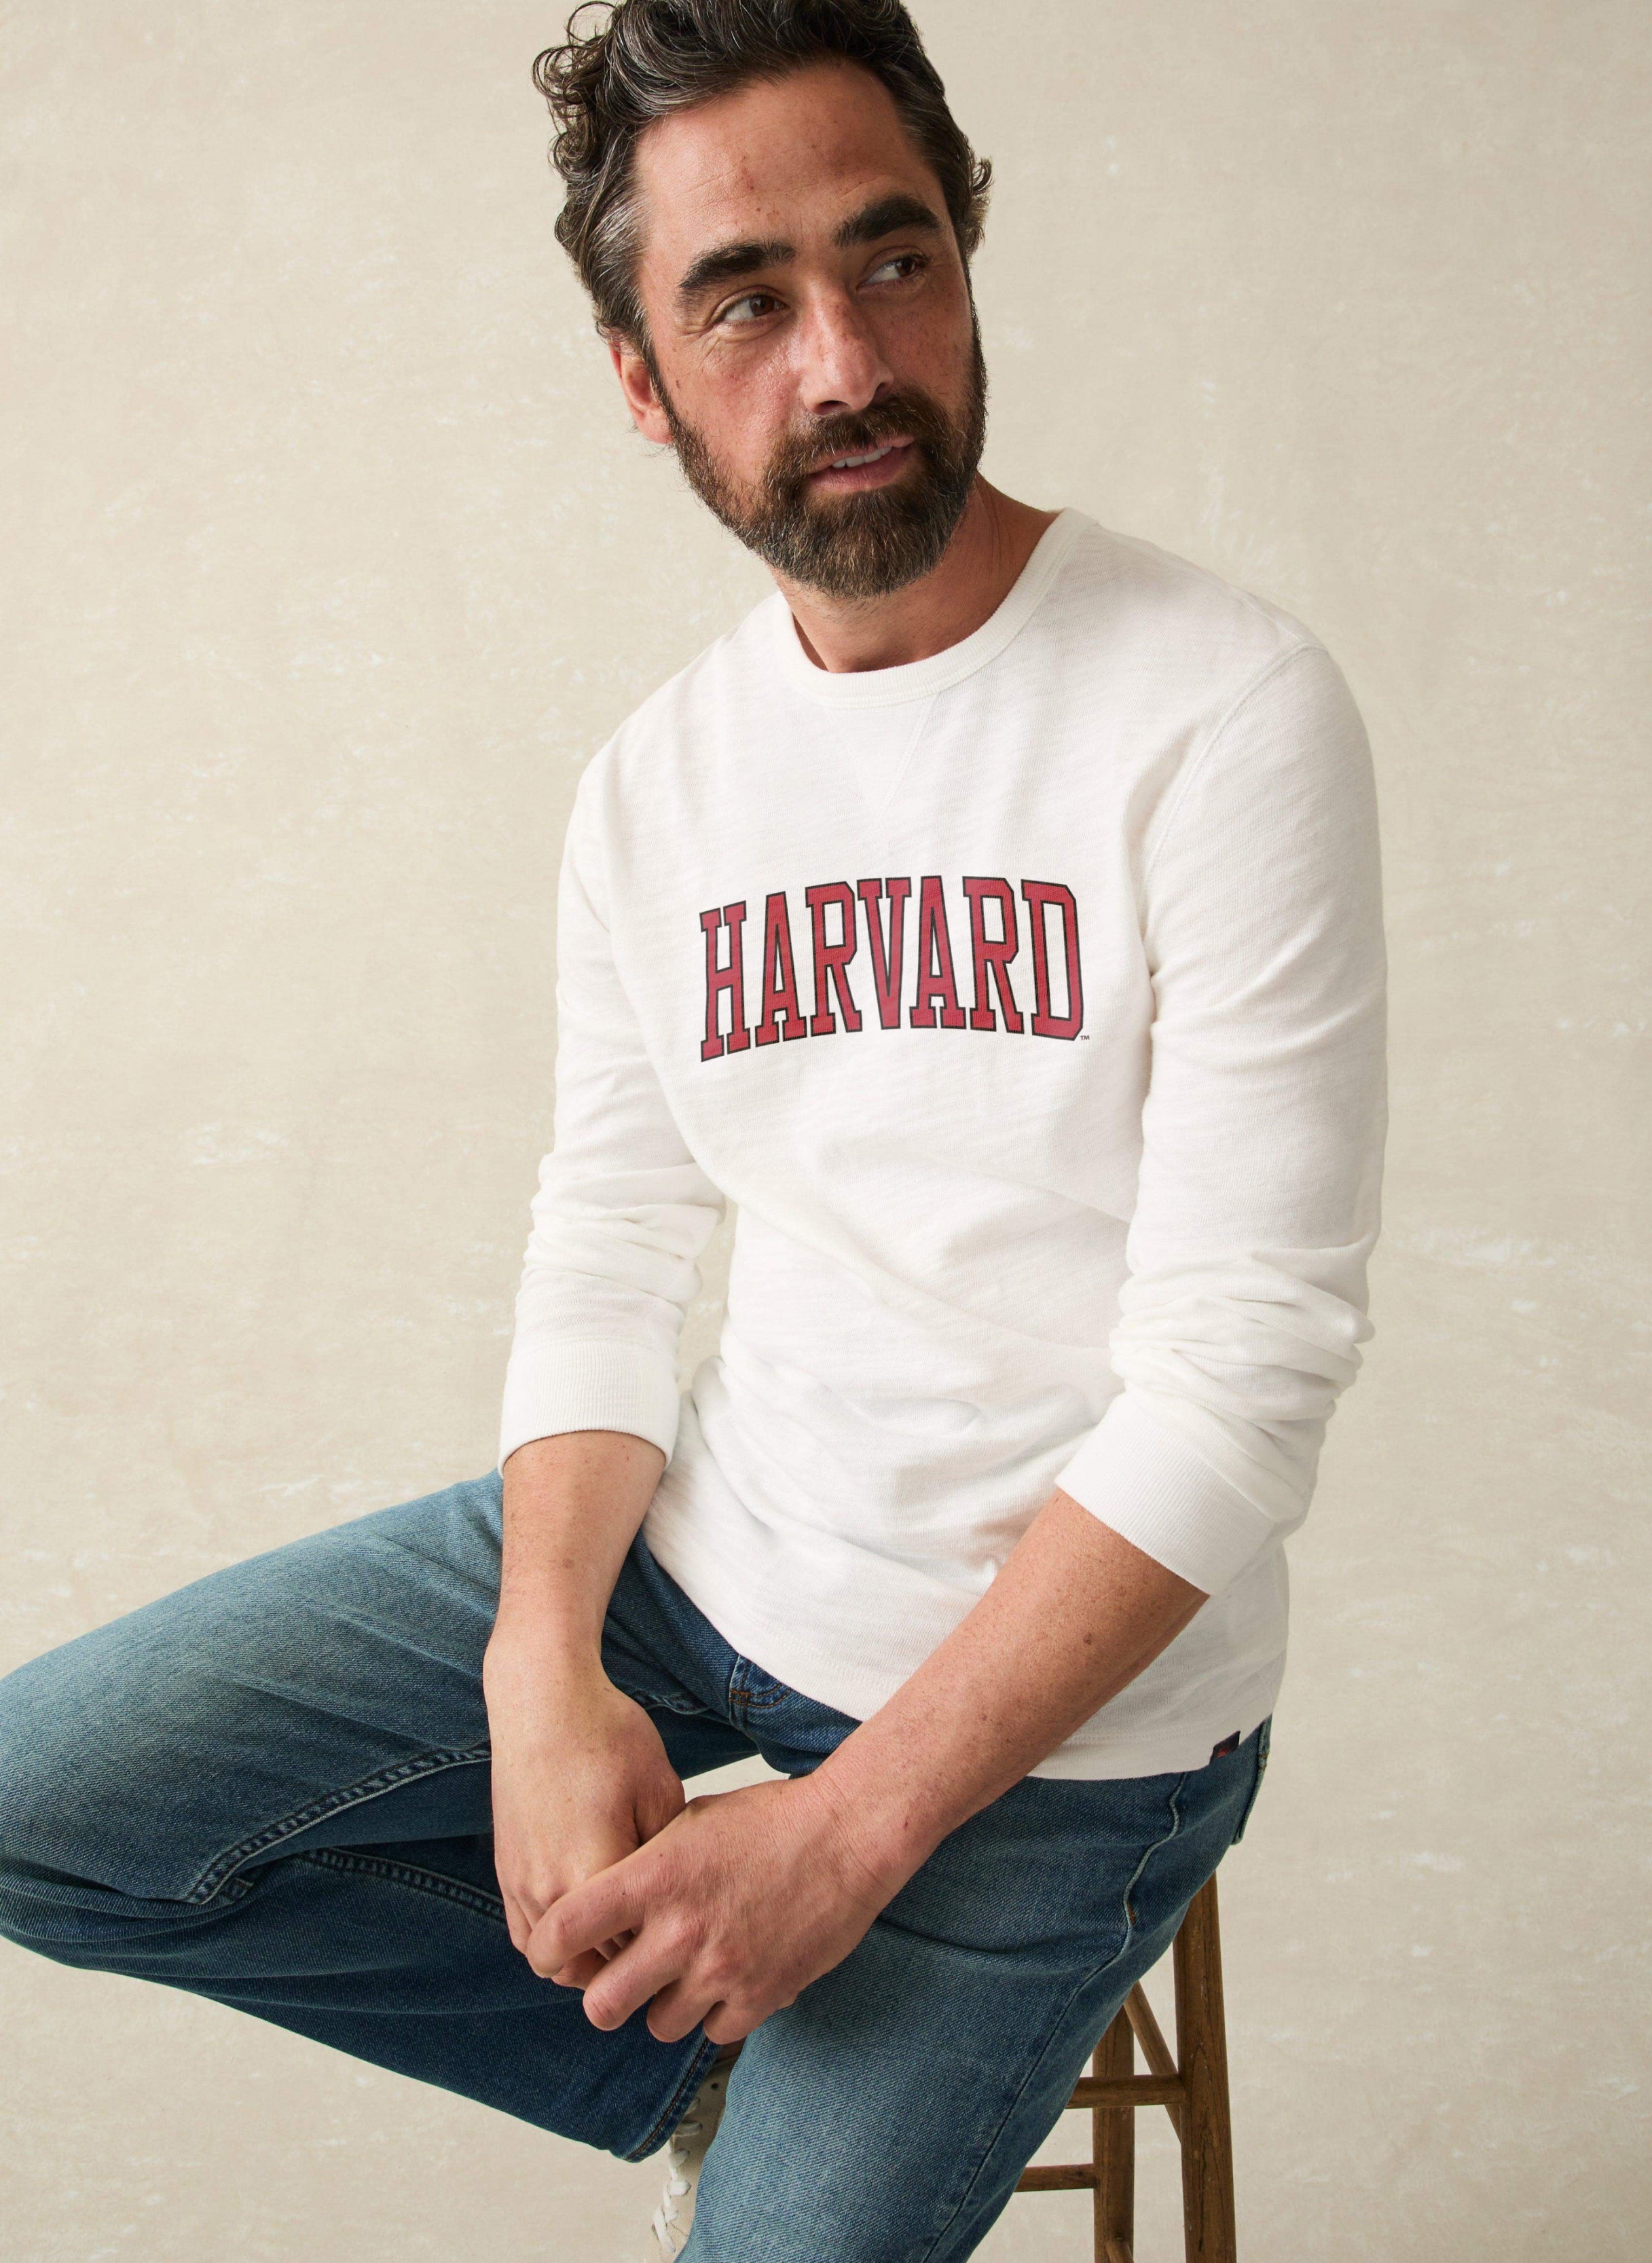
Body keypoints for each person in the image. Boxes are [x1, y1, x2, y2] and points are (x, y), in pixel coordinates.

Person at [0, 5, 1388, 2257]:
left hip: (1063, 1727)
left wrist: (839, 1842)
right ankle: (690, 2050)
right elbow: (613, 1231)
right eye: (745, 299)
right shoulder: (660, 781)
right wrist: (539, 1655)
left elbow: (1245, 1372)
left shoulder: (1218, 708)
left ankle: (767, 2052)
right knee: (38, 1802)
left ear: (965, 256)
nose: (844, 361)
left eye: (894, 259)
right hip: (718, 1563)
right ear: (642, 380)